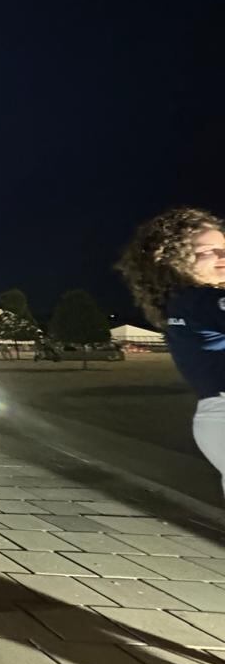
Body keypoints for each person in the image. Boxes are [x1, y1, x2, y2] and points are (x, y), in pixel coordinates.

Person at [118, 209, 225, 497]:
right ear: (172, 259)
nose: (223, 257)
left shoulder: (183, 305)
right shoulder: (201, 303)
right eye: (209, 251)